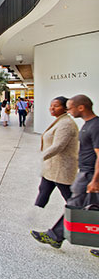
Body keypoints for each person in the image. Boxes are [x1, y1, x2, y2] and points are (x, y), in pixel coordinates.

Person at [31, 94, 99, 259]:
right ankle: (56, 236)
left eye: (70, 107)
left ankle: (55, 236)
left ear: (81, 107)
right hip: (84, 173)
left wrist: (95, 180)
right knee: (75, 204)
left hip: (89, 174)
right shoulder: (85, 125)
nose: (69, 111)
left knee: (75, 204)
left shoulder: (93, 126)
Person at [34, 96, 78, 208]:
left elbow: (58, 146)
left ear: (65, 108)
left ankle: (79, 216)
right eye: (51, 106)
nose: (52, 108)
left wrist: (39, 157)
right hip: (52, 167)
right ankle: (34, 214)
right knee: (43, 191)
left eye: (56, 106)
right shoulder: (61, 121)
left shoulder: (66, 124)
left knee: (69, 196)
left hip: (61, 168)